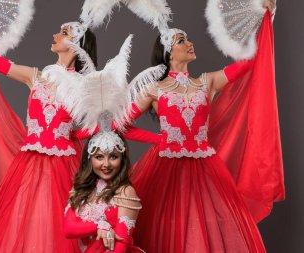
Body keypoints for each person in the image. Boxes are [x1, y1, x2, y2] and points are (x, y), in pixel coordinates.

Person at [120, 1, 284, 252]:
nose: (189, 43)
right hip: (166, 168)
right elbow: (120, 125)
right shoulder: (155, 89)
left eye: (187, 39)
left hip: (205, 168)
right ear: (169, 52)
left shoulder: (207, 82)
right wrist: (157, 140)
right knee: (166, 223)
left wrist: (265, 22)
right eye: (182, 41)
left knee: (208, 224)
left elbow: (249, 62)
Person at [0, 1, 97, 252]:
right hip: (29, 165)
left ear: (77, 44)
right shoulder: (35, 76)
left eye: (64, 33)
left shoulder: (84, 87)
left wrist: (70, 135)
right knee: (24, 226)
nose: (55, 35)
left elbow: (95, 127)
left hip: (63, 167)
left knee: (56, 229)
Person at [64, 132, 144, 253]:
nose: (106, 164)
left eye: (113, 157)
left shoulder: (125, 191)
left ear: (122, 159)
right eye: (99, 157)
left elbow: (122, 245)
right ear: (89, 158)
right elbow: (68, 230)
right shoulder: (81, 189)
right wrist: (100, 226)